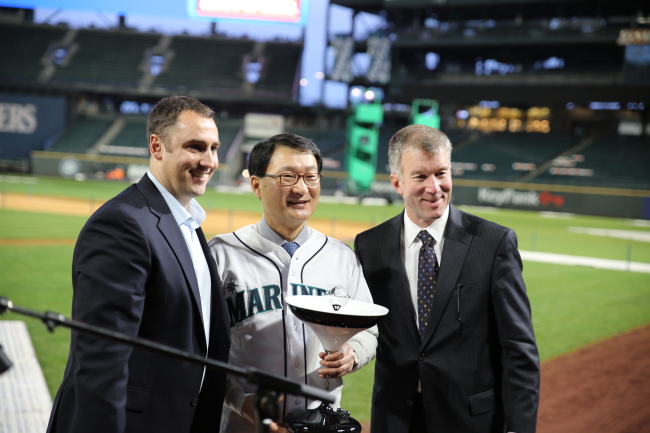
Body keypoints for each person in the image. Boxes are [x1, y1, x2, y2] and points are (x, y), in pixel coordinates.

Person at [47, 96, 231, 433]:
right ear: (157, 147)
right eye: (195, 147)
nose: (208, 161)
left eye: (214, 148)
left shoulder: (186, 223)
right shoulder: (124, 223)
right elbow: (102, 359)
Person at [354, 125, 540, 433]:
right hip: (395, 419)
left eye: (441, 173)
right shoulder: (369, 245)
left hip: (469, 421)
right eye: (421, 177)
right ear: (397, 183)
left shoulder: (493, 243)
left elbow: (518, 349)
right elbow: (364, 327)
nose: (434, 187)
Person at [208, 133, 378, 433]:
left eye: (311, 177)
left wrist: (353, 354)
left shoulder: (341, 257)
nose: (301, 188)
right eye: (288, 177)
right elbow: (200, 350)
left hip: (323, 425)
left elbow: (369, 331)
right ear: (257, 185)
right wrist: (238, 400)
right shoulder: (221, 254)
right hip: (243, 425)